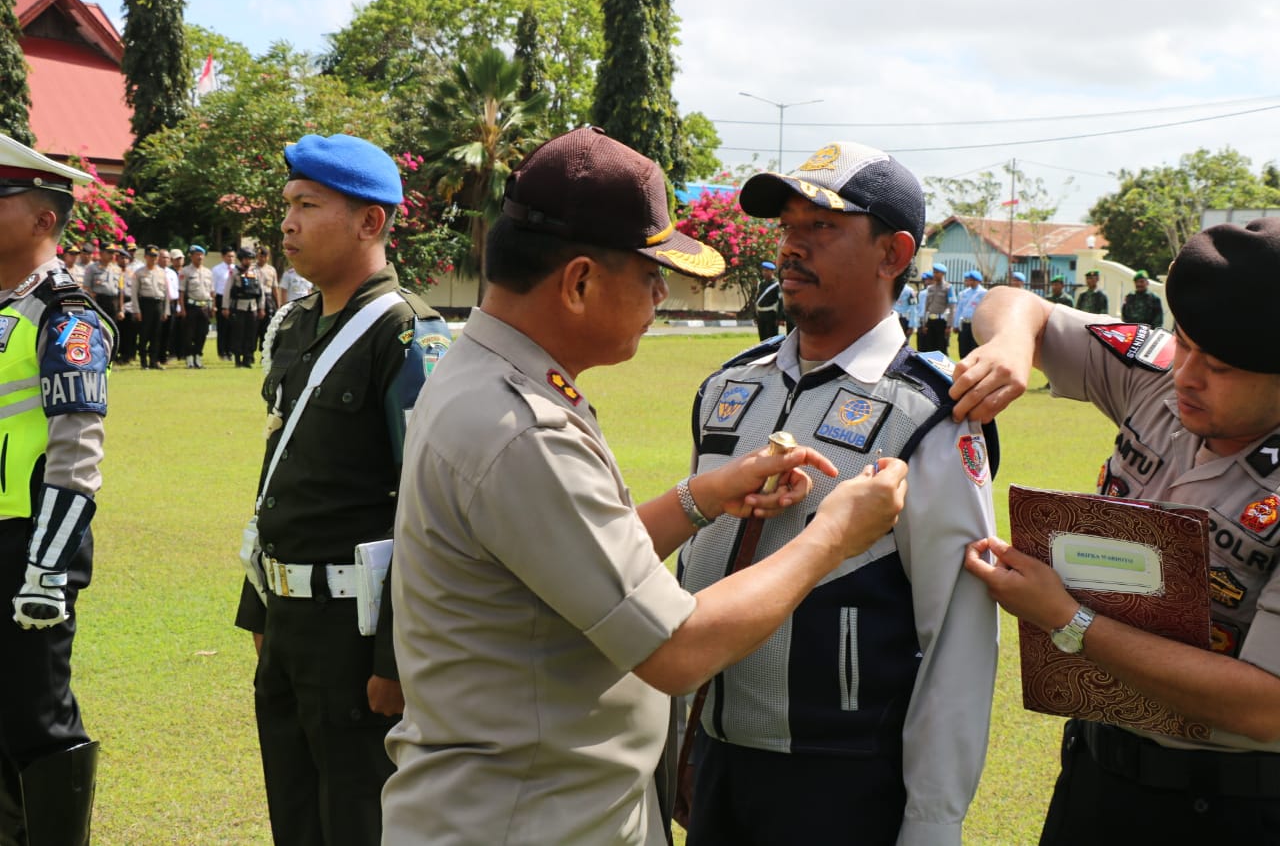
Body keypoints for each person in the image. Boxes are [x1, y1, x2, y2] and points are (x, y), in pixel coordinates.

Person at [382, 127, 910, 846]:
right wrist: (833, 536)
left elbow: (582, 559)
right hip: (527, 821)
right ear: (579, 281)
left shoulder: (489, 382)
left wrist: (704, 496)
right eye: (650, 273)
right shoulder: (521, 428)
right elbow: (678, 648)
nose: (662, 292)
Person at [673, 141, 998, 845]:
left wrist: (933, 824)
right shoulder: (729, 386)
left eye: (822, 226)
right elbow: (690, 565)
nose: (792, 246)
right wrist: (677, 742)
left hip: (841, 779)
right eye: (788, 227)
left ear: (893, 253)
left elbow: (957, 637)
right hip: (713, 758)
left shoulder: (932, 414)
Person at [951, 217, 1280, 845]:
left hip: (1233, 807)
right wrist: (1013, 344)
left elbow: (1265, 706)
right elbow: (1012, 302)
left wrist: (1067, 620)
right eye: (1184, 342)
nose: (1186, 374)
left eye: (1220, 367)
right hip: (1097, 771)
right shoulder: (1157, 373)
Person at [233, 132, 451, 846]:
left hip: (358, 634)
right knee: (295, 819)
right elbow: (281, 475)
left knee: (359, 821)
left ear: (370, 221)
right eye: (287, 205)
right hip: (289, 621)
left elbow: (430, 510)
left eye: (307, 205)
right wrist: (259, 607)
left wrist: (395, 656)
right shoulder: (296, 325)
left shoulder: (406, 334)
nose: (287, 223)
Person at [0, 133, 114, 846]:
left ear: (44, 218)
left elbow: (76, 455)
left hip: (28, 545)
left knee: (35, 720)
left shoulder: (65, 315)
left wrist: (45, 568)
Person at [221, 248, 262, 368]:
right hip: (239, 306)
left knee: (251, 333)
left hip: (252, 306)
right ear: (241, 259)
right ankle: (238, 358)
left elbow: (260, 291)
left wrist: (261, 307)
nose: (248, 261)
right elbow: (227, 290)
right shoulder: (235, 272)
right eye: (246, 259)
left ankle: (248, 358)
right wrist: (225, 307)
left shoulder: (255, 272)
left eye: (250, 259)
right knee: (238, 333)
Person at [134, 245, 170, 370]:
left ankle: (154, 361)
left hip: (158, 304)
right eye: (151, 256)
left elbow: (166, 293)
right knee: (144, 334)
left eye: (155, 256)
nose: (153, 259)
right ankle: (143, 361)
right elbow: (134, 293)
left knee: (156, 334)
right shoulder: (139, 273)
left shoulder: (161, 272)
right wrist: (137, 310)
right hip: (145, 304)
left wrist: (166, 310)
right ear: (145, 257)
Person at [180, 245, 215, 368]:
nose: (199, 257)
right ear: (191, 256)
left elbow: (212, 292)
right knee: (189, 334)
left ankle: (198, 356)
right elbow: (181, 292)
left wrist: (213, 307)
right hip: (191, 306)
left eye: (201, 255)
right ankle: (189, 358)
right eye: (197, 254)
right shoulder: (185, 271)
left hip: (205, 306)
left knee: (203, 333)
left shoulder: (208, 272)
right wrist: (182, 308)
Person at [916, 264, 955, 353]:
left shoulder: (948, 287)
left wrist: (949, 325)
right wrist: (924, 323)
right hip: (930, 321)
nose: (935, 274)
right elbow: (926, 307)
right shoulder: (930, 288)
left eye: (937, 272)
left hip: (942, 321)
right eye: (934, 272)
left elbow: (952, 307)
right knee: (930, 348)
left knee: (941, 348)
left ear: (942, 274)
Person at [953, 269, 987, 357]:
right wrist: (956, 324)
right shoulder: (964, 293)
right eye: (970, 279)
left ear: (978, 281)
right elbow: (959, 309)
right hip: (964, 323)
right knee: (963, 348)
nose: (971, 282)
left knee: (974, 348)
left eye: (973, 280)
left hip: (975, 324)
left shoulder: (983, 293)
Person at [212, 244, 235, 360]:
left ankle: (230, 351)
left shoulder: (236, 269)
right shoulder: (217, 270)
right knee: (222, 327)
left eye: (232, 256)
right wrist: (214, 304)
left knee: (232, 326)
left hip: (233, 299)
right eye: (228, 256)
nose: (231, 259)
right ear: (223, 256)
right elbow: (213, 288)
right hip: (221, 298)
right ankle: (222, 352)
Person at [255, 246, 279, 351]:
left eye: (265, 256)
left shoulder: (271, 270)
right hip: (255, 299)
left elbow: (275, 288)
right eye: (260, 256)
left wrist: (278, 305)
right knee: (254, 325)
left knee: (267, 325)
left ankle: (264, 349)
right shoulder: (252, 268)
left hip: (268, 299)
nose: (262, 258)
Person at [754, 261, 781, 341]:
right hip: (761, 314)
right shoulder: (761, 284)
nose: (764, 272)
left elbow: (781, 301)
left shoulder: (777, 284)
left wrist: (780, 317)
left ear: (772, 272)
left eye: (767, 270)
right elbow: (757, 299)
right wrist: (755, 315)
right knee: (762, 338)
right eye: (763, 270)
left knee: (772, 338)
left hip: (771, 314)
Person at [893, 272, 918, 339]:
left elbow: (913, 308)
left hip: (904, 319)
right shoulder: (892, 289)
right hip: (894, 318)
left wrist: (912, 325)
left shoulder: (910, 291)